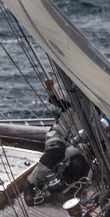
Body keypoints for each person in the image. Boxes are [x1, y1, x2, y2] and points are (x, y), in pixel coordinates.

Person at [22, 77, 87, 206]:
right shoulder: (70, 100)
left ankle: (55, 178)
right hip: (59, 135)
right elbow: (56, 99)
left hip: (80, 144)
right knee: (57, 150)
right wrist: (50, 88)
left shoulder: (93, 108)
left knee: (78, 165)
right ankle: (30, 183)